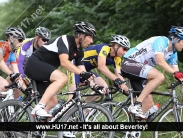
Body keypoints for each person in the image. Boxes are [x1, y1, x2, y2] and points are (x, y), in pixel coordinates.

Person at [24, 21, 99, 117]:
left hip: (46, 72)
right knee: (62, 78)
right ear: (81, 35)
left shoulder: (80, 51)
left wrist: (95, 86)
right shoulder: (65, 40)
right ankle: (39, 107)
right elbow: (64, 62)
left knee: (53, 102)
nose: (92, 41)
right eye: (90, 37)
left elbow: (83, 71)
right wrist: (81, 73)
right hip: (34, 65)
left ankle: (37, 126)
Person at [121, 26, 183, 118]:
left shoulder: (172, 53)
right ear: (176, 39)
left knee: (148, 104)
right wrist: (174, 73)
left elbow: (177, 73)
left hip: (140, 73)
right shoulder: (161, 41)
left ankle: (134, 130)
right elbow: (160, 61)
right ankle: (137, 104)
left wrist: (179, 77)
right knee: (159, 76)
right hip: (129, 63)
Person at [68, 35, 130, 102]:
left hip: (86, 71)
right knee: (73, 96)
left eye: (127, 50)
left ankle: (84, 108)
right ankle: (66, 111)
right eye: (124, 49)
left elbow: (119, 75)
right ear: (116, 46)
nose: (125, 52)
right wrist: (116, 79)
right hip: (74, 66)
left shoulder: (117, 58)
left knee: (103, 89)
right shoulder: (105, 48)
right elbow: (101, 67)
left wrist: (127, 90)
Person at [0, 27, 26, 98]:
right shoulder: (1, 45)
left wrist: (26, 89)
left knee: (17, 90)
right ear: (11, 38)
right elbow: (1, 63)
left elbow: (17, 75)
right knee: (3, 85)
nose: (21, 43)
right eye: (20, 40)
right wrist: (11, 74)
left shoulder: (12, 55)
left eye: (22, 41)